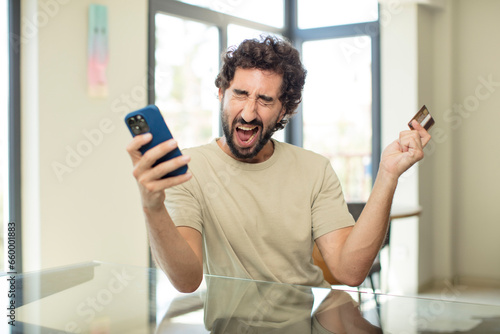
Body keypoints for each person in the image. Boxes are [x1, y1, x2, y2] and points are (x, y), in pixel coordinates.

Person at [126, 35, 431, 293]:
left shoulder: (314, 169)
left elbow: (349, 271)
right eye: (240, 94)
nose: (247, 112)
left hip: (308, 320)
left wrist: (388, 174)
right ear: (221, 94)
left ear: (285, 108)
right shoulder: (189, 170)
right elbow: (186, 280)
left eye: (265, 100)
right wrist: (152, 207)